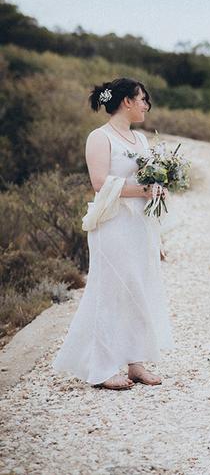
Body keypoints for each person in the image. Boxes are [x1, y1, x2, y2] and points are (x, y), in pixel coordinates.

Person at [53, 78, 173, 389]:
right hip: (112, 223)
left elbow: (146, 177)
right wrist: (142, 190)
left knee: (138, 288)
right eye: (142, 99)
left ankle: (136, 362)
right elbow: (99, 182)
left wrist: (158, 190)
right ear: (126, 102)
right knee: (110, 291)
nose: (146, 105)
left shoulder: (141, 140)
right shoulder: (100, 137)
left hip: (139, 225)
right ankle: (102, 367)